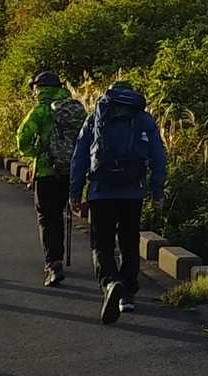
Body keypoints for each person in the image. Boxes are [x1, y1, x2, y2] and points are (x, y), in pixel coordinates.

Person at [68, 81, 166, 325]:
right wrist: (157, 191)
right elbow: (158, 155)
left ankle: (110, 282)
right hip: (133, 191)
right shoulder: (143, 119)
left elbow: (80, 155)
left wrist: (75, 192)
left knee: (102, 243)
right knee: (129, 240)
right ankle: (128, 293)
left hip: (101, 191)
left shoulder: (96, 117)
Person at [16, 71, 87, 286]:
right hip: (70, 171)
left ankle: (53, 264)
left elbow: (22, 138)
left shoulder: (40, 110)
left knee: (47, 218)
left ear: (38, 88)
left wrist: (35, 153)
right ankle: (59, 257)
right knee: (60, 214)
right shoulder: (74, 108)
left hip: (47, 172)